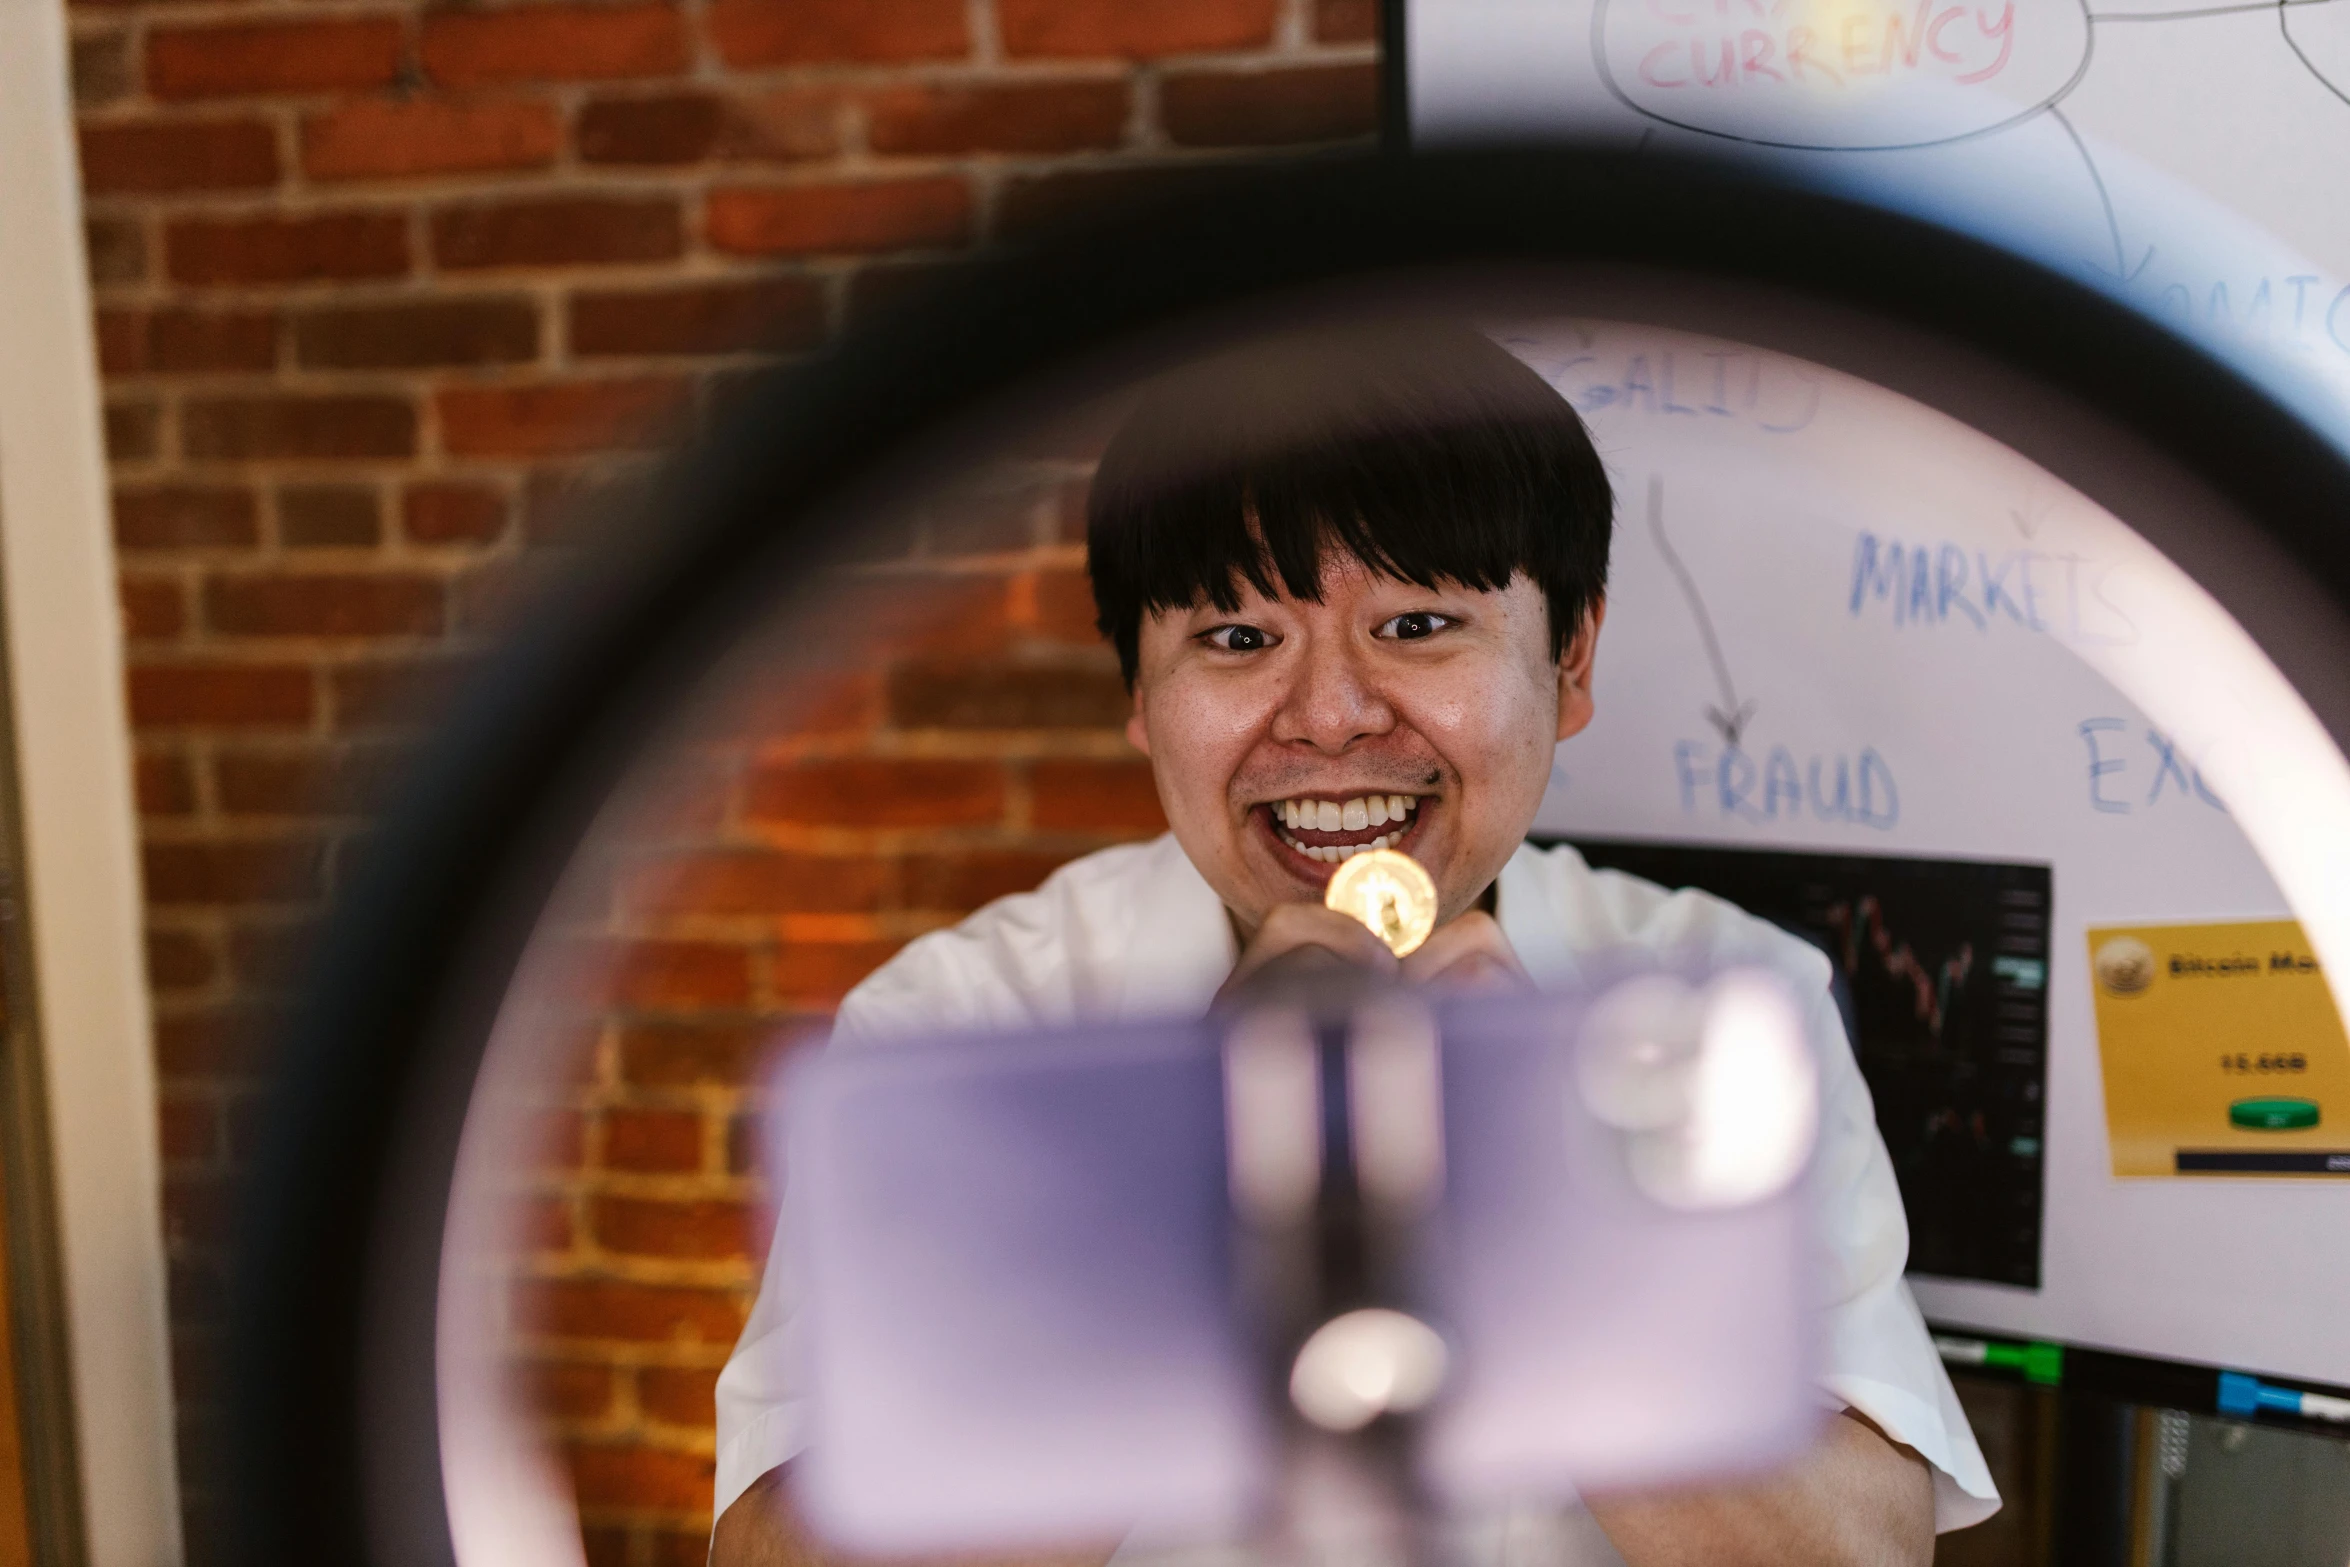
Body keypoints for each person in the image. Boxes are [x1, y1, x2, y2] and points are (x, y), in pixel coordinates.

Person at [708, 322, 1998, 1567]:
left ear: (1572, 658)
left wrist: (1554, 1214)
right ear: (1139, 700)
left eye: (1419, 625)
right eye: (1236, 638)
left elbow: (1864, 1552)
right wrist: (1189, 1177)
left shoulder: (1733, 1002)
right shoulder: (960, 1025)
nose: (1327, 718)